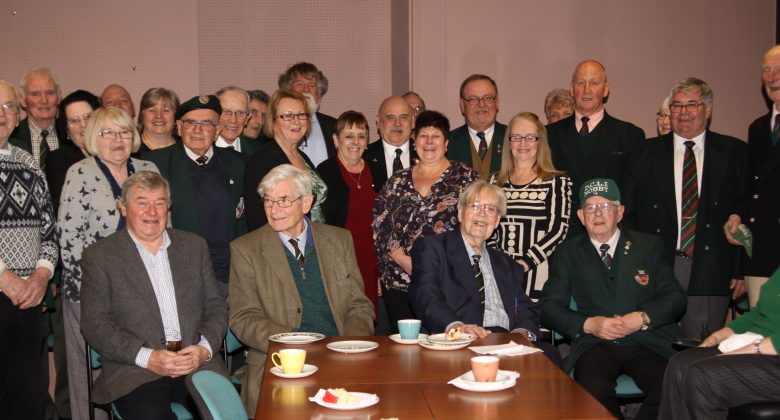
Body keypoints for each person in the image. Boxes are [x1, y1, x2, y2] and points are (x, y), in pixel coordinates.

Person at [80, 171, 228, 419]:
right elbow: (95, 324)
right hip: (136, 370)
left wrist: (203, 348)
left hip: (195, 363)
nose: (152, 211)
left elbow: (216, 306)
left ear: (168, 207)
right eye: (142, 202)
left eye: (159, 202)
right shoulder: (100, 257)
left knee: (223, 411)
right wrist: (148, 357)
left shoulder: (194, 247)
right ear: (124, 207)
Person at [229, 164, 374, 417]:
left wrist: (349, 346)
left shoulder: (339, 240)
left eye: (283, 200)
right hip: (283, 366)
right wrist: (295, 344)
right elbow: (243, 318)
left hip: (340, 357)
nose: (273, 210)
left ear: (306, 203)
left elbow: (359, 305)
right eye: (268, 201)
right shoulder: (246, 249)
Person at [541, 178, 687, 420]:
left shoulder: (648, 245)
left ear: (620, 212)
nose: (598, 213)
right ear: (580, 215)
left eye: (606, 206)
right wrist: (590, 324)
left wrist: (642, 318)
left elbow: (676, 297)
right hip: (595, 344)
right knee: (591, 391)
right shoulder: (568, 252)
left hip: (647, 341)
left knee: (671, 387)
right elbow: (549, 306)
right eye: (590, 207)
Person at [625, 78, 747, 339]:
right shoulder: (644, 154)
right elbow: (629, 214)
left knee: (700, 348)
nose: (684, 112)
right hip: (657, 265)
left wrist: (740, 271)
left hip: (712, 265)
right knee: (656, 347)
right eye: (677, 105)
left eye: (692, 104)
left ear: (708, 108)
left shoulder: (735, 153)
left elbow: (745, 213)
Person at [58, 107, 158, 420]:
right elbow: (69, 239)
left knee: (137, 365)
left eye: (125, 132)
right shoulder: (80, 172)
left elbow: (162, 224)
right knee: (87, 372)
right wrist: (101, 287)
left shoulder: (147, 168)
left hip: (142, 292)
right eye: (108, 133)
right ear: (93, 137)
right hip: (90, 291)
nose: (118, 139)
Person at [373, 110, 478, 332]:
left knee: (446, 346)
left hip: (448, 282)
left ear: (446, 143)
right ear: (414, 141)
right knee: (406, 350)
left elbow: (476, 225)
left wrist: (429, 270)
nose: (429, 142)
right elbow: (381, 224)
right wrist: (405, 261)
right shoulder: (397, 180)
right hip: (399, 282)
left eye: (436, 136)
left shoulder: (466, 177)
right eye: (423, 136)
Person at [143, 95, 246, 298]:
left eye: (207, 124)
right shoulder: (155, 164)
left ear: (218, 131)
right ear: (179, 127)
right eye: (191, 123)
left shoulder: (237, 163)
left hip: (230, 276)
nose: (198, 130)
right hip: (179, 276)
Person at [409, 180, 541, 337]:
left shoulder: (507, 264)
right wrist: (457, 328)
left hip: (506, 340)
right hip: (459, 338)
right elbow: (425, 295)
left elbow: (525, 308)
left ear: (497, 220)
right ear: (460, 212)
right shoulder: (433, 248)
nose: (482, 213)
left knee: (550, 355)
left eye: (490, 209)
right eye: (475, 206)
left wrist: (522, 333)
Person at [0, 79, 57, 420]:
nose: (1, 114)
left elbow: (50, 232)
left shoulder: (29, 162)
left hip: (29, 300)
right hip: (5, 289)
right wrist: (4, 278)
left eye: (8, 106)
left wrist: (39, 276)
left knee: (27, 397)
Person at [659, 266, 780, 420]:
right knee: (680, 363)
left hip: (772, 350)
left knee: (702, 375)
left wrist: (752, 348)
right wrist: (718, 336)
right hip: (763, 343)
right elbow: (759, 313)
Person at [547, 59, 645, 235]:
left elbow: (633, 197)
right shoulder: (549, 135)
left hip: (611, 236)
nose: (586, 90)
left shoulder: (630, 136)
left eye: (594, 83)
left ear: (606, 89)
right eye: (580, 83)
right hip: (561, 239)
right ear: (571, 89)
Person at [489, 112, 572, 300]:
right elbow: (488, 228)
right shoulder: (495, 181)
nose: (523, 144)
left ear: (540, 142)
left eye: (530, 138)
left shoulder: (557, 182)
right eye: (516, 137)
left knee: (532, 328)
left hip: (540, 276)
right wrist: (501, 263)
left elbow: (558, 230)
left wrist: (525, 263)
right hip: (500, 275)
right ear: (509, 142)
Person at [724, 45, 780, 309]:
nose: (772, 77)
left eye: (779, 69)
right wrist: (738, 215)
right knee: (762, 340)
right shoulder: (758, 128)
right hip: (761, 255)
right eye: (766, 71)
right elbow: (751, 187)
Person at [317, 111, 379, 315]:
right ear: (336, 140)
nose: (355, 142)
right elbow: (320, 227)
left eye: (361, 136)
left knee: (370, 322)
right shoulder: (325, 172)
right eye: (348, 136)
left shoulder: (377, 170)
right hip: (341, 262)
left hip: (372, 261)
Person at [243, 89, 328, 231]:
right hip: (283, 246)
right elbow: (257, 219)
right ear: (274, 122)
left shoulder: (303, 157)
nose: (296, 121)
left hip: (315, 240)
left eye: (301, 115)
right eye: (288, 116)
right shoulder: (260, 162)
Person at [49, 90, 101, 213]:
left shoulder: (117, 153)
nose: (83, 124)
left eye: (88, 117)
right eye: (75, 120)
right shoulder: (58, 160)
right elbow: (63, 208)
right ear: (67, 130)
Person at [276, 62, 337, 166]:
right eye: (299, 84)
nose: (306, 90)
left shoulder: (334, 126)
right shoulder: (277, 124)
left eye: (311, 85)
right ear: (288, 90)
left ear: (319, 93)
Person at [447, 74, 506, 179]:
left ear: (497, 102)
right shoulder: (447, 143)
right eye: (473, 99)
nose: (481, 104)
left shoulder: (513, 139)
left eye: (488, 98)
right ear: (462, 105)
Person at [364, 95, 418, 192]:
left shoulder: (425, 156)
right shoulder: (363, 158)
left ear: (413, 121)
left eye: (404, 117)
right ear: (378, 121)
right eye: (390, 117)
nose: (397, 124)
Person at [10, 68, 61, 171]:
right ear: (22, 101)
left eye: (50, 93)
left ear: (59, 97)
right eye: (35, 94)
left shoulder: (72, 137)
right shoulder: (11, 139)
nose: (44, 100)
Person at [214, 86, 261, 158]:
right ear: (214, 114)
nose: (233, 120)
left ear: (247, 118)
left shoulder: (259, 152)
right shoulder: (202, 149)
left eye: (240, 113)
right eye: (226, 112)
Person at [136, 87, 180, 155]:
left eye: (166, 110)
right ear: (142, 116)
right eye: (152, 110)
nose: (158, 116)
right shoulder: (130, 150)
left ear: (175, 117)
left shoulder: (186, 150)